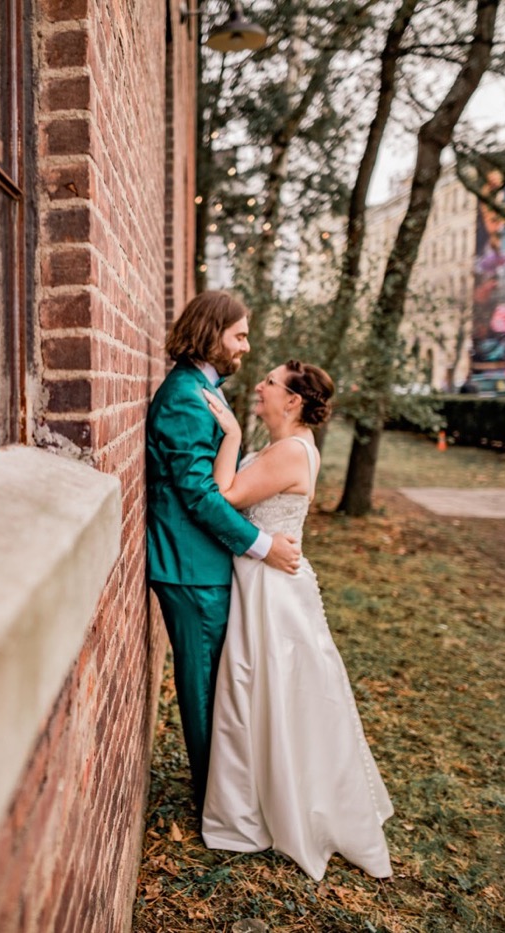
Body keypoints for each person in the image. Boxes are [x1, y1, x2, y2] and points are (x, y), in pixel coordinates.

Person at [199, 360, 393, 880]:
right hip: (266, 576)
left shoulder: (289, 450)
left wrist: (232, 433)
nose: (259, 386)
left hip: (271, 591)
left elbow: (225, 498)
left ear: (293, 401)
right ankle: (268, 791)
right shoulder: (290, 445)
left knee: (266, 688)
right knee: (270, 689)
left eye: (269, 382)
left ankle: (276, 802)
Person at [146, 291, 301, 812]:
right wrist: (262, 547)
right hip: (190, 568)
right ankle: (220, 805)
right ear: (211, 333)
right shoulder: (186, 397)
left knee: (222, 684)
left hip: (205, 562)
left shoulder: (202, 388)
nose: (246, 346)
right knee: (206, 691)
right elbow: (197, 493)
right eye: (239, 335)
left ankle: (229, 792)